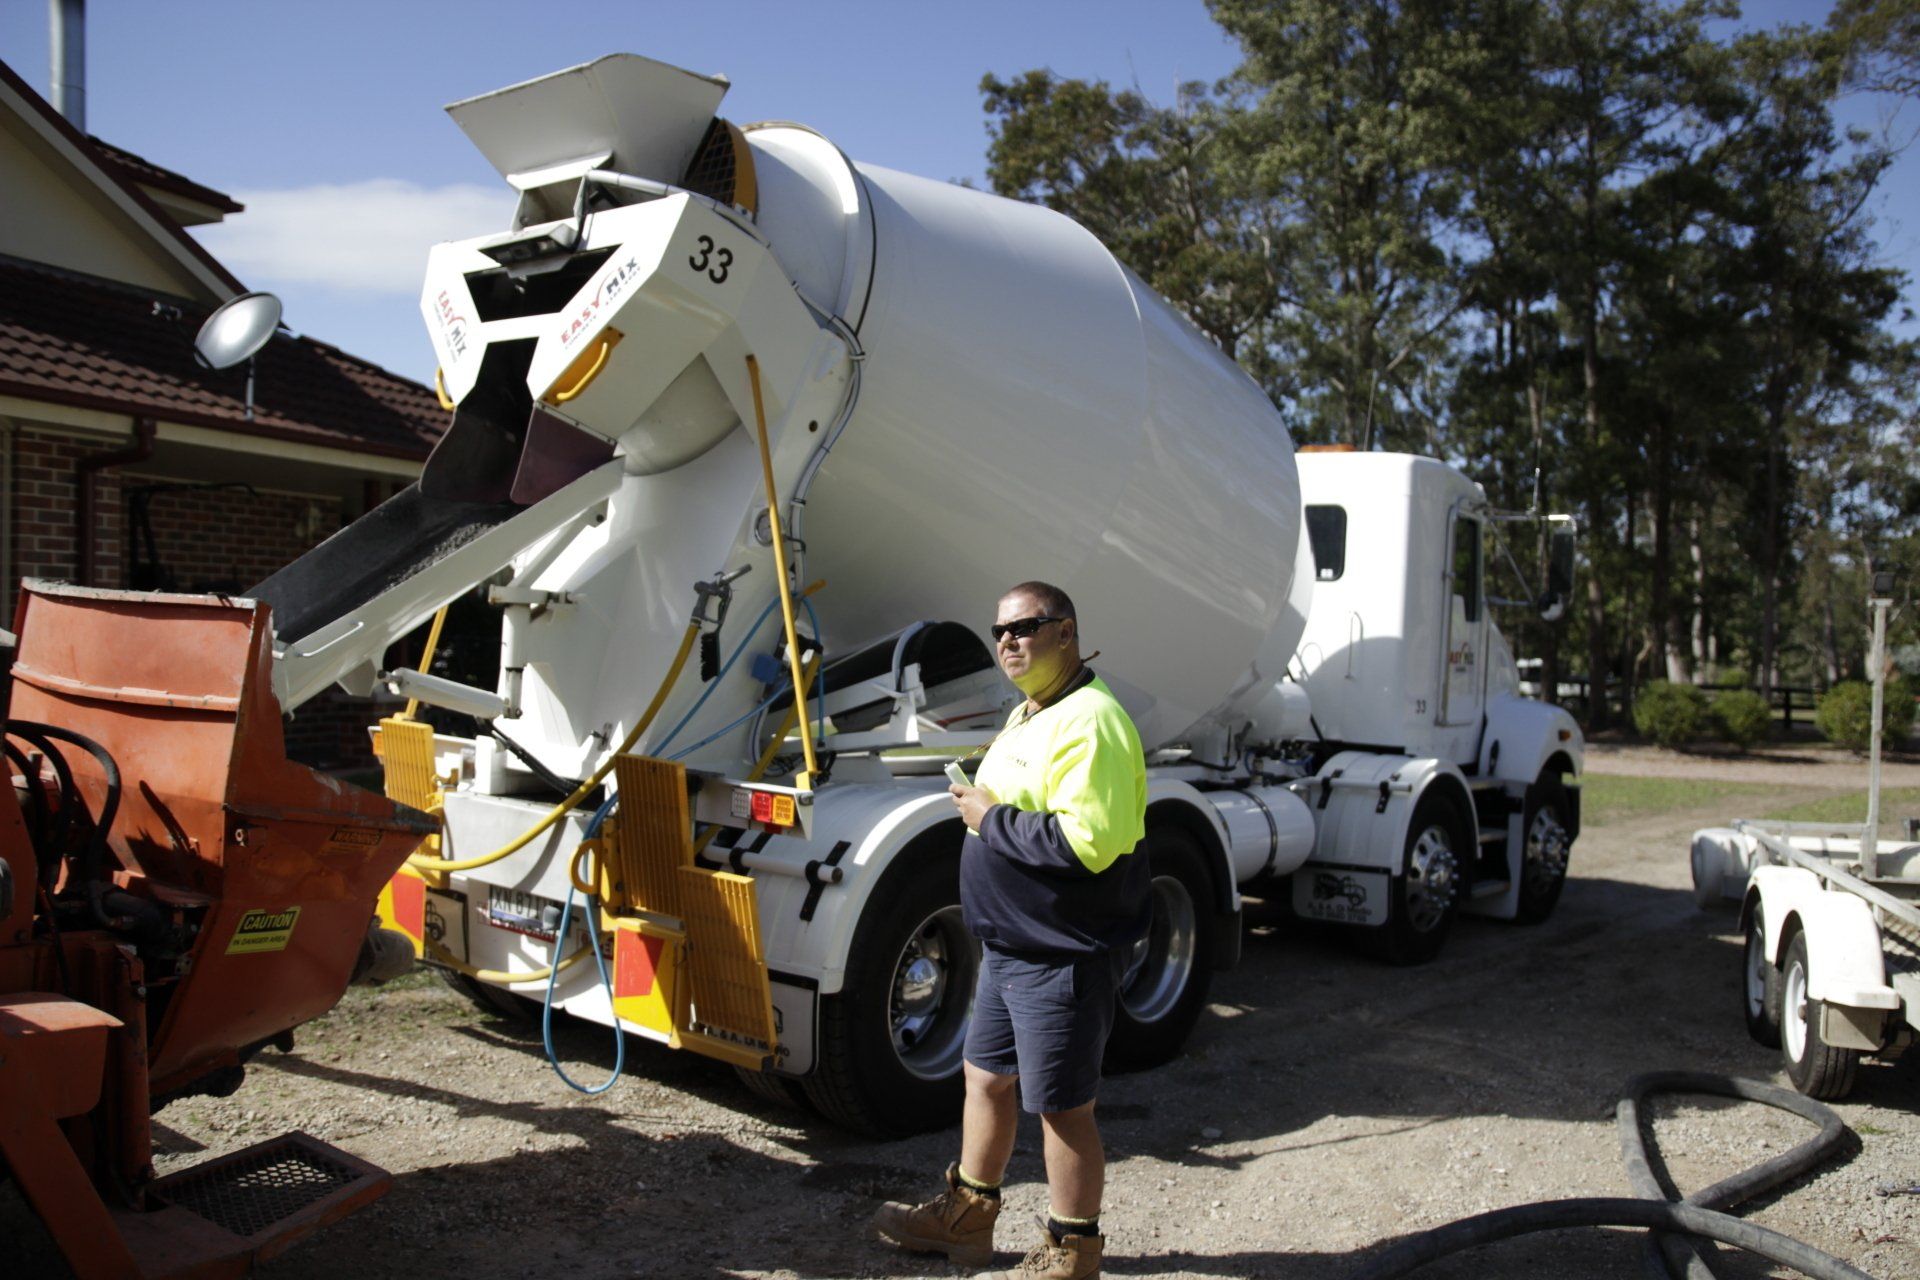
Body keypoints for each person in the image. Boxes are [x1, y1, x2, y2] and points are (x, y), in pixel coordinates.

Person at [873, 581, 1150, 1280]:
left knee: (1061, 1108)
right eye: (1000, 631)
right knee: (986, 1079)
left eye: (1026, 627)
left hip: (1061, 952)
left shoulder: (1093, 720)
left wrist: (989, 817)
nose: (1009, 642)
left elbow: (1092, 842)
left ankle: (1072, 1251)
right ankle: (968, 1220)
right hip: (1009, 945)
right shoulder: (1033, 711)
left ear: (1067, 632)